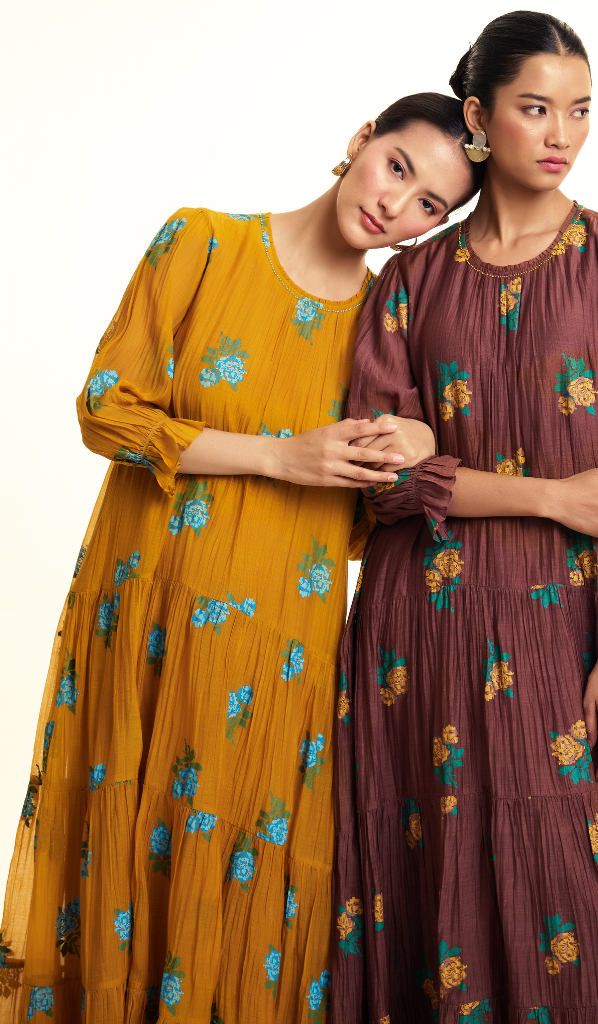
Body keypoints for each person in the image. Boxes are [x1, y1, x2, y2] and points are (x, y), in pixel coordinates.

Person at [0, 94, 484, 1024]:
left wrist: (417, 443)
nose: (396, 204)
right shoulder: (204, 243)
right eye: (396, 166)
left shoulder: (388, 333)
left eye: (429, 204)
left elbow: (369, 521)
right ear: (360, 140)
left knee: (246, 886)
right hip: (146, 614)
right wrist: (276, 454)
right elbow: (107, 408)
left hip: (279, 654)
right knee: (121, 858)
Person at [332, 12, 598, 1023]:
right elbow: (383, 482)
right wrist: (549, 494)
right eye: (536, 108)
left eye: (580, 110)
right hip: (422, 632)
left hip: (573, 620)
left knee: (592, 898)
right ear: (480, 117)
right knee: (429, 876)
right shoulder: (411, 280)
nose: (561, 133)